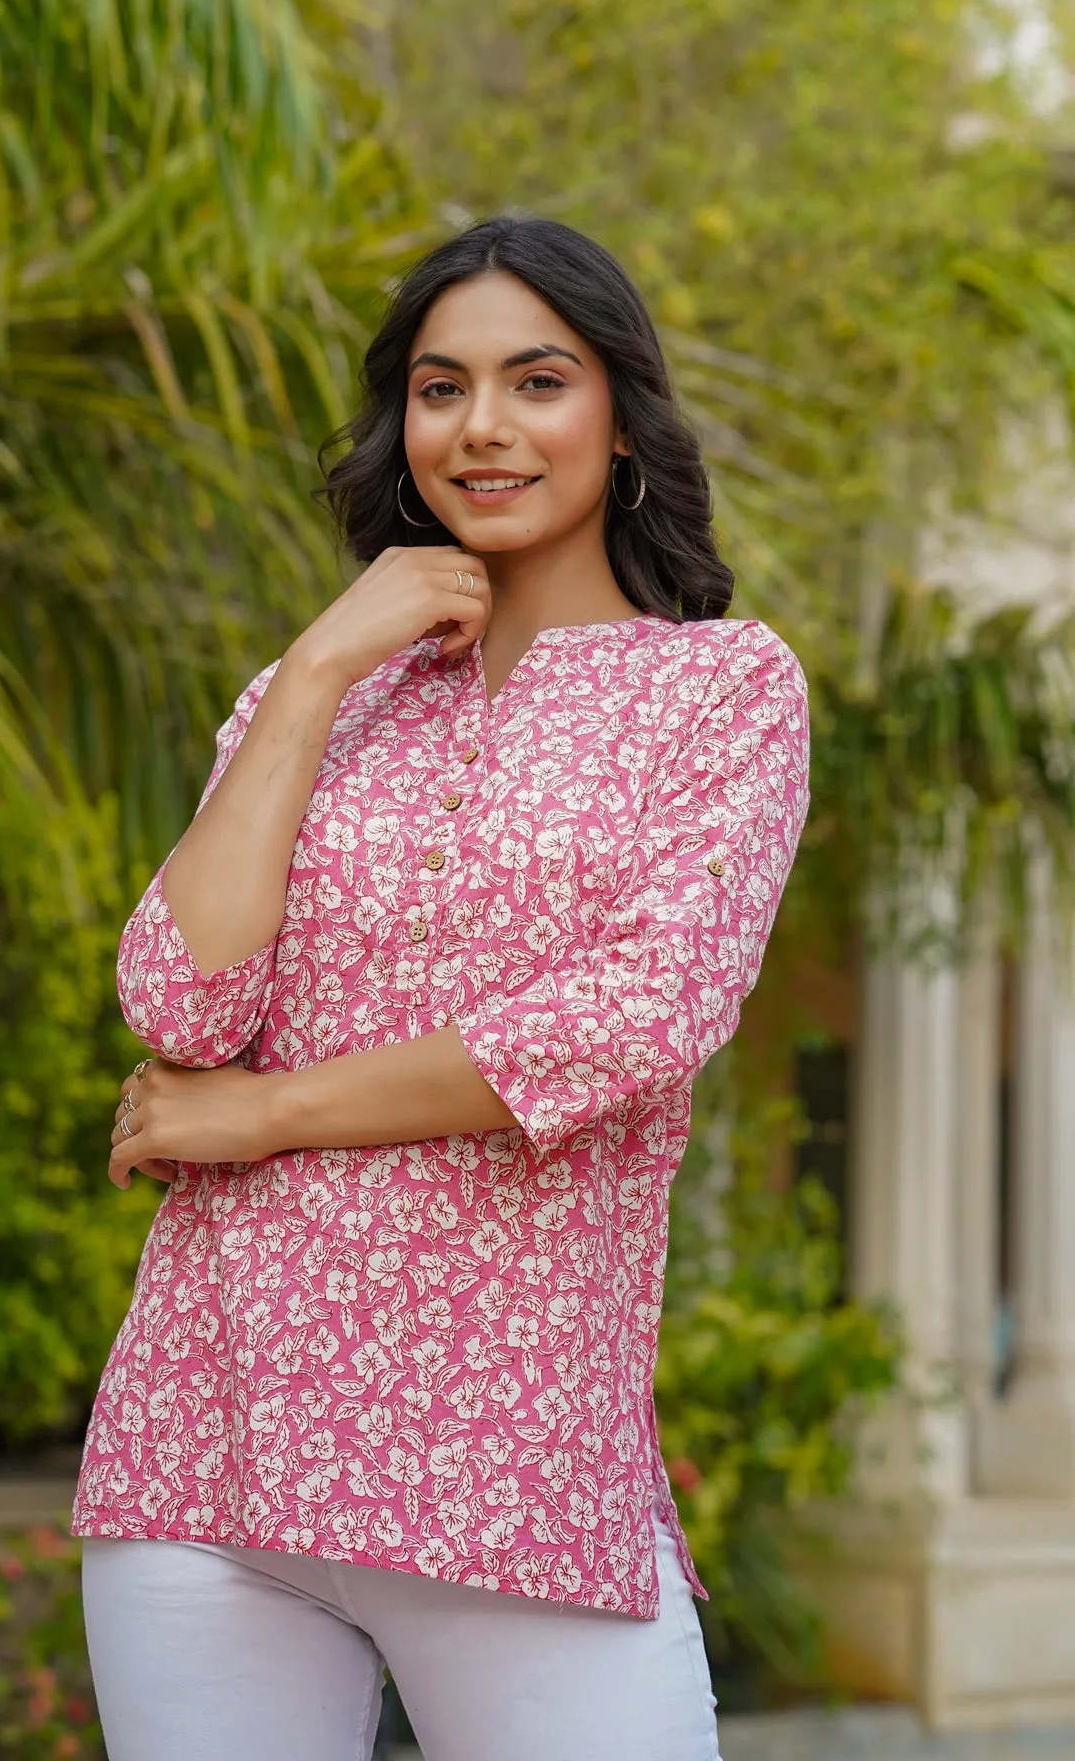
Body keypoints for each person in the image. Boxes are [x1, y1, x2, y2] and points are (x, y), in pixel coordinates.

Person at [73, 214, 810, 1761]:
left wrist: (267, 1114)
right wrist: (325, 667)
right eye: (439, 386)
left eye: (537, 382)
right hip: (208, 1454)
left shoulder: (723, 690)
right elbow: (179, 1000)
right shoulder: (317, 689)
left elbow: (639, 1012)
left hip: (510, 1473)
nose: (482, 426)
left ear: (621, 423)